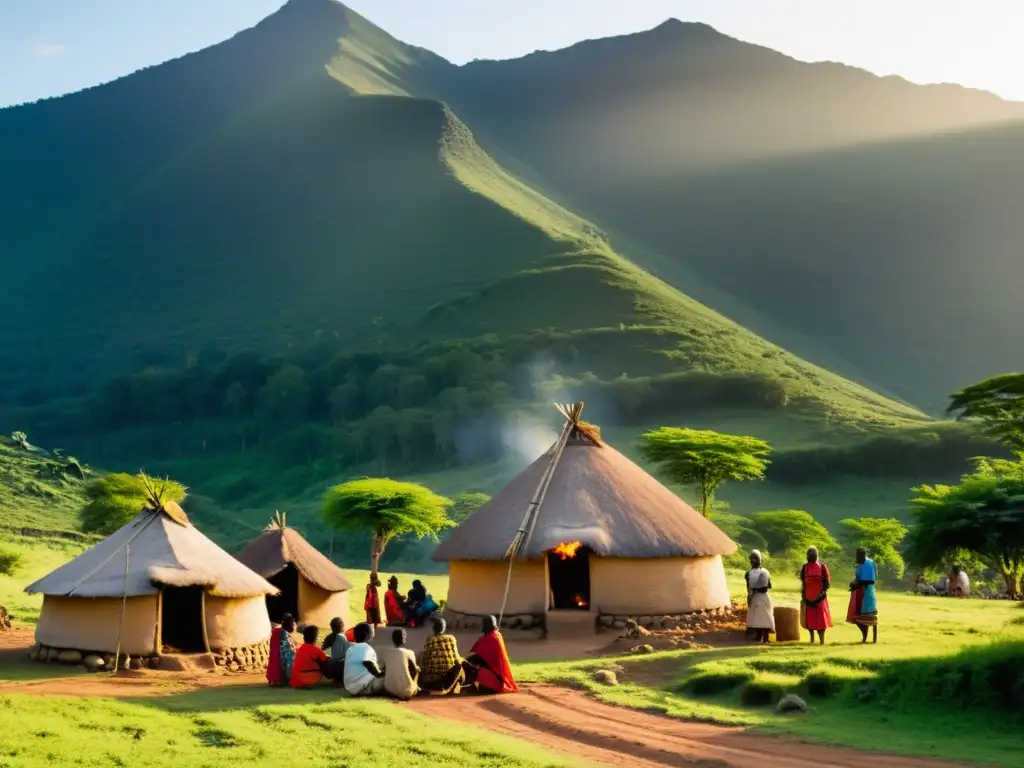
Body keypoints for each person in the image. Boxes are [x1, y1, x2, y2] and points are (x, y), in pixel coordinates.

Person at [467, 615, 518, 694]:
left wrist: (465, 661)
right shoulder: (497, 635)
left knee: (468, 666)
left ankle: (469, 689)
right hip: (500, 678)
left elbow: (479, 658)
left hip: (493, 683)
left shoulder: (489, 638)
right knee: (472, 664)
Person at [419, 617, 469, 695]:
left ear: (433, 628)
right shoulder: (451, 638)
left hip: (431, 682)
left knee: (421, 659)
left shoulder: (430, 640)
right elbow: (456, 658)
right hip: (449, 680)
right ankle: (455, 687)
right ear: (444, 628)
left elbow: (426, 660)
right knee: (461, 662)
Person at [799, 546, 833, 644]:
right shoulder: (805, 567)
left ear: (816, 556)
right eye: (809, 555)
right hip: (808, 597)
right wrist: (804, 595)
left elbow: (827, 583)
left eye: (813, 555)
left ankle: (822, 641)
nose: (811, 557)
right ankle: (812, 639)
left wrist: (821, 594)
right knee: (809, 620)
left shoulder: (822, 567)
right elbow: (803, 581)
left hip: (820, 597)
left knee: (820, 620)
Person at [343, 622, 386, 696]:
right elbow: (368, 663)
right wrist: (380, 674)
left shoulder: (350, 649)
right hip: (364, 687)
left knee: (381, 668)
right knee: (388, 677)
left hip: (350, 688)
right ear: (367, 636)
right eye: (372, 634)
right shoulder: (367, 648)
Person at [847, 547, 878, 644]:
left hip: (868, 593)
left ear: (865, 554)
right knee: (856, 617)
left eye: (860, 555)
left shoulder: (870, 563)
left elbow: (871, 580)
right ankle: (864, 636)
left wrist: (858, 583)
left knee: (868, 617)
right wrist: (853, 584)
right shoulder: (859, 564)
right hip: (858, 592)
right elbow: (858, 577)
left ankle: (870, 638)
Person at [379, 628, 420, 700]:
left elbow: (383, 669)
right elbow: (414, 670)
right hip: (406, 692)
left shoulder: (386, 653)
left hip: (389, 689)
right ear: (404, 638)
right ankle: (415, 687)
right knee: (417, 669)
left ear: (393, 639)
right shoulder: (409, 653)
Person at [744, 550, 774, 643]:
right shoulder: (765, 572)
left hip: (754, 597)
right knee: (764, 618)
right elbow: (769, 586)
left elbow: (748, 587)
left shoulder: (748, 573)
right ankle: (764, 638)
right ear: (760, 560)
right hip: (763, 596)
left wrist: (750, 595)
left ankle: (759, 637)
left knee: (756, 617)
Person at [266, 613, 296, 686]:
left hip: (273, 655)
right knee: (289, 658)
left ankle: (273, 680)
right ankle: (280, 680)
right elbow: (286, 649)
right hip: (280, 656)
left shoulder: (276, 630)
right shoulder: (284, 633)